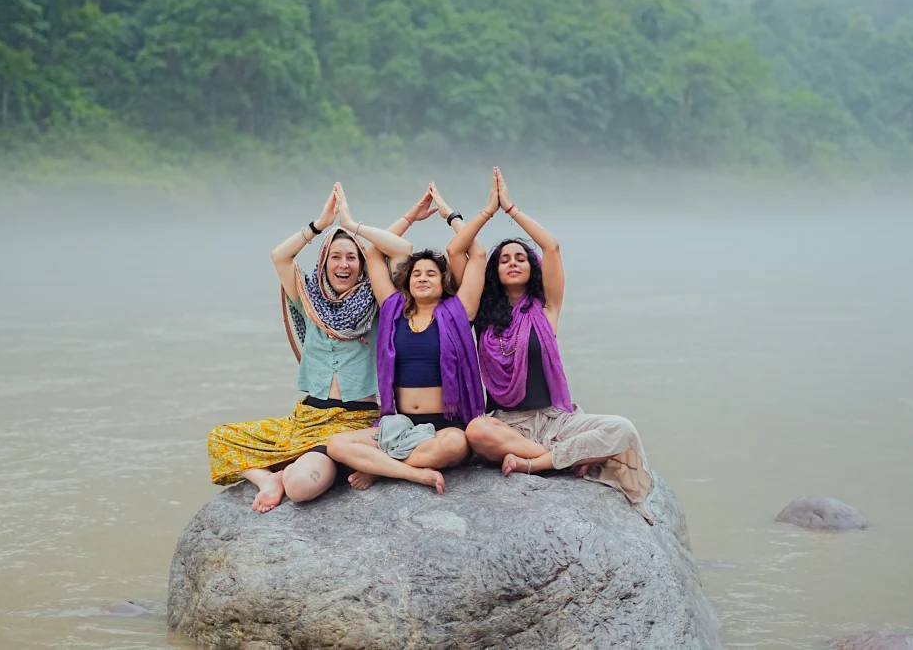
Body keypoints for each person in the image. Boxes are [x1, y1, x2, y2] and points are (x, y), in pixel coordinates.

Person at [206, 183, 433, 512]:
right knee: (219, 437)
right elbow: (280, 256)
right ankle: (268, 478)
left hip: (352, 424)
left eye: (352, 257)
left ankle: (322, 465)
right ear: (324, 262)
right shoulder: (308, 301)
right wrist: (320, 225)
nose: (344, 264)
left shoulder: (377, 302)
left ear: (363, 265)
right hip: (305, 419)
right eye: (335, 257)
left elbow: (400, 250)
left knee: (300, 487)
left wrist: (356, 224)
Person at [449, 167, 656, 524]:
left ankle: (535, 463)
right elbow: (456, 254)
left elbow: (551, 246)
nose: (513, 263)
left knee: (621, 428)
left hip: (555, 420)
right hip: (506, 425)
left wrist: (511, 209)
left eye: (520, 258)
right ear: (494, 272)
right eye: (505, 260)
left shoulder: (547, 310)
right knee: (476, 431)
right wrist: (486, 212)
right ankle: (566, 459)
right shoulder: (481, 315)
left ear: (533, 267)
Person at [327, 183, 488, 494]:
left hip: (444, 426)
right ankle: (413, 473)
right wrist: (410, 216)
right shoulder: (393, 310)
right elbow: (374, 253)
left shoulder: (459, 311)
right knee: (336, 444)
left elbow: (477, 254)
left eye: (431, 273)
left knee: (456, 445)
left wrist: (450, 215)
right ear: (407, 282)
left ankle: (381, 466)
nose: (423, 278)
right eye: (416, 274)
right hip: (397, 425)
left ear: (443, 282)